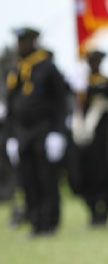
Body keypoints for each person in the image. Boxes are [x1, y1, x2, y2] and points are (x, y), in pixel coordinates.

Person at [4, 27, 69, 236]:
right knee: (28, 180)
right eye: (19, 41)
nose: (20, 45)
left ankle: (50, 222)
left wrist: (58, 132)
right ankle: (35, 222)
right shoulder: (16, 70)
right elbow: (10, 106)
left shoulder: (47, 67)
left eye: (23, 41)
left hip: (44, 131)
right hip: (22, 134)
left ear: (33, 42)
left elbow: (60, 103)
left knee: (46, 178)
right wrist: (10, 137)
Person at [69, 49, 108, 226]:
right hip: (82, 139)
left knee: (103, 174)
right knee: (83, 175)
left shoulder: (105, 82)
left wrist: (87, 88)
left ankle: (104, 210)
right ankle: (91, 209)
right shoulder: (80, 83)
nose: (94, 64)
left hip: (101, 139)